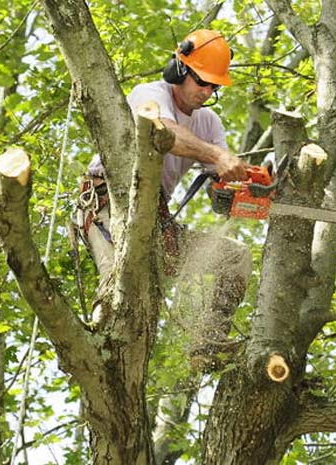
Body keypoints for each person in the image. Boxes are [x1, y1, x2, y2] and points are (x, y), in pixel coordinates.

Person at [74, 30, 252, 370]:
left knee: (235, 257)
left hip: (156, 220)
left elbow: (220, 181)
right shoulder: (150, 95)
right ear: (180, 70)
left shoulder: (208, 123)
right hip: (109, 204)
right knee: (120, 288)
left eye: (215, 87)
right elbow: (166, 134)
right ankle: (97, 353)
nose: (207, 92)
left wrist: (238, 185)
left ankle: (207, 343)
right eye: (202, 82)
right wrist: (217, 155)